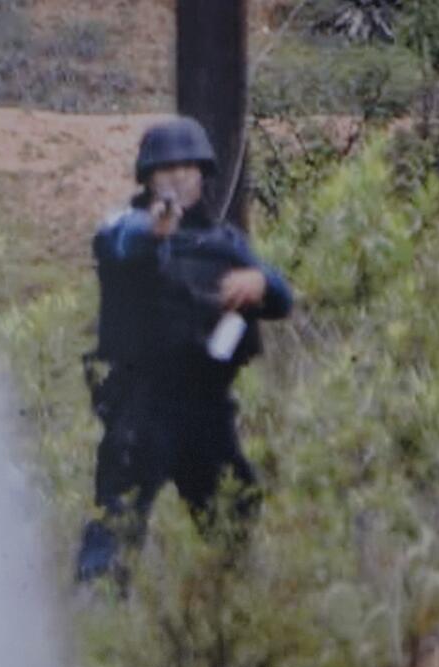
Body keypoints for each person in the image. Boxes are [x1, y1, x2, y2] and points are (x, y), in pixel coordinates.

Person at [76, 117, 293, 583]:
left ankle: (227, 628)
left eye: (187, 169)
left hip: (206, 410)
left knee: (234, 530)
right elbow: (119, 238)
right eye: (165, 170)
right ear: (148, 178)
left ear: (203, 176)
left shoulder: (225, 243)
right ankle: (98, 622)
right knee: (115, 530)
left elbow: (282, 296)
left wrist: (260, 282)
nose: (176, 178)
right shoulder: (125, 227)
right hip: (140, 407)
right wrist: (156, 230)